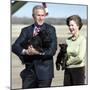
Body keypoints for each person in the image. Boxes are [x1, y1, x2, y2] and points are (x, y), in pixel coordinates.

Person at [12, 5, 57, 89]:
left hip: (45, 74)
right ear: (33, 16)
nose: (41, 18)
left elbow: (52, 50)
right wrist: (26, 52)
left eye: (43, 15)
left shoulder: (51, 30)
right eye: (38, 15)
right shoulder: (26, 30)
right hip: (29, 73)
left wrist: (38, 52)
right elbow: (15, 46)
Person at [64, 15, 86, 86]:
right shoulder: (67, 40)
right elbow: (65, 55)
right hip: (67, 71)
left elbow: (80, 57)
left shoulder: (82, 39)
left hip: (78, 70)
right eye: (69, 25)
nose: (70, 27)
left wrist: (68, 62)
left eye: (72, 25)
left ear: (78, 26)